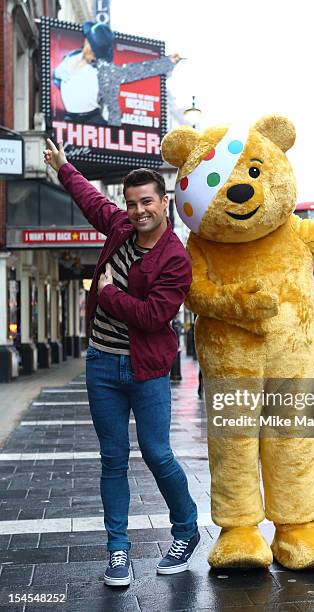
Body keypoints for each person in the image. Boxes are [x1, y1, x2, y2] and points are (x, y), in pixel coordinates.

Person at [43, 139, 200, 586]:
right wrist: (63, 166)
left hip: (146, 369)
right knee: (112, 458)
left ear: (163, 201)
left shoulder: (175, 257)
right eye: (131, 204)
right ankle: (118, 550)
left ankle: (185, 530)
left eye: (146, 201)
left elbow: (154, 317)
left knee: (156, 452)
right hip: (102, 364)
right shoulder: (120, 229)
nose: (137, 211)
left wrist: (109, 292)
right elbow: (92, 199)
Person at [53, 21, 180, 126]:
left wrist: (167, 62)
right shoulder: (70, 57)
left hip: (91, 122)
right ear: (87, 42)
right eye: (93, 50)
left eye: (97, 52)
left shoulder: (104, 70)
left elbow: (136, 70)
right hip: (68, 119)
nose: (94, 55)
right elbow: (57, 77)